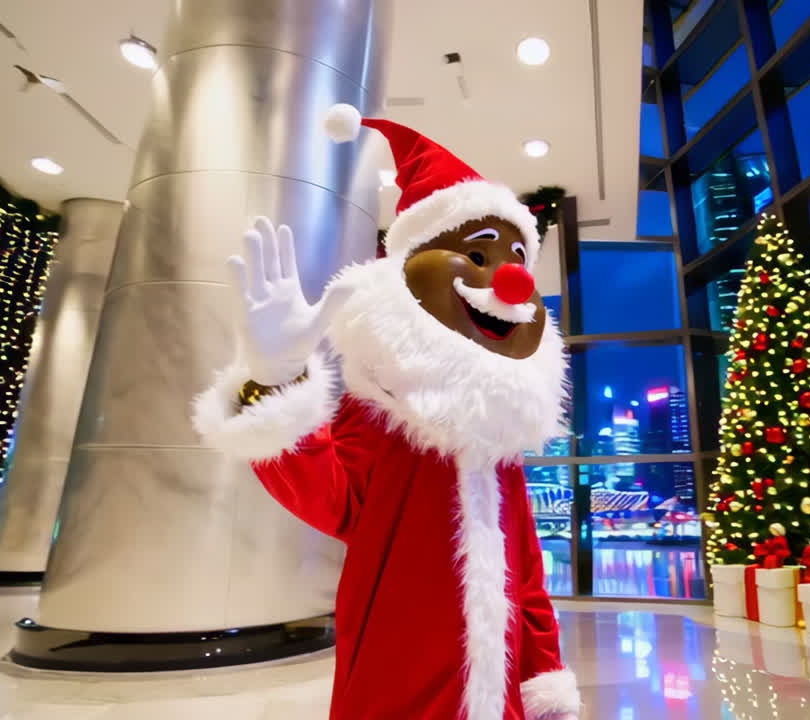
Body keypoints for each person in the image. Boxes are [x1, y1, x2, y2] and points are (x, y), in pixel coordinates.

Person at [192, 104, 579, 720]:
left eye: (516, 259)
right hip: (396, 682)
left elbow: (527, 578)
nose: (508, 282)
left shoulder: (500, 438)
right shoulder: (380, 407)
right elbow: (330, 499)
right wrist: (274, 380)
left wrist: (544, 677)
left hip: (500, 694)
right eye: (480, 254)